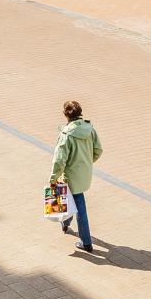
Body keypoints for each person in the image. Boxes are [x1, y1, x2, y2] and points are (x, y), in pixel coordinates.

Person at [49, 99, 103, 253]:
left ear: (66, 115)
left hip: (70, 175)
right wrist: (87, 162)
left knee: (79, 207)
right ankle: (65, 223)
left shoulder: (66, 134)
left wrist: (53, 178)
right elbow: (98, 150)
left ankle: (86, 242)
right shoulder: (90, 129)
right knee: (71, 199)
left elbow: (60, 160)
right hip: (84, 173)